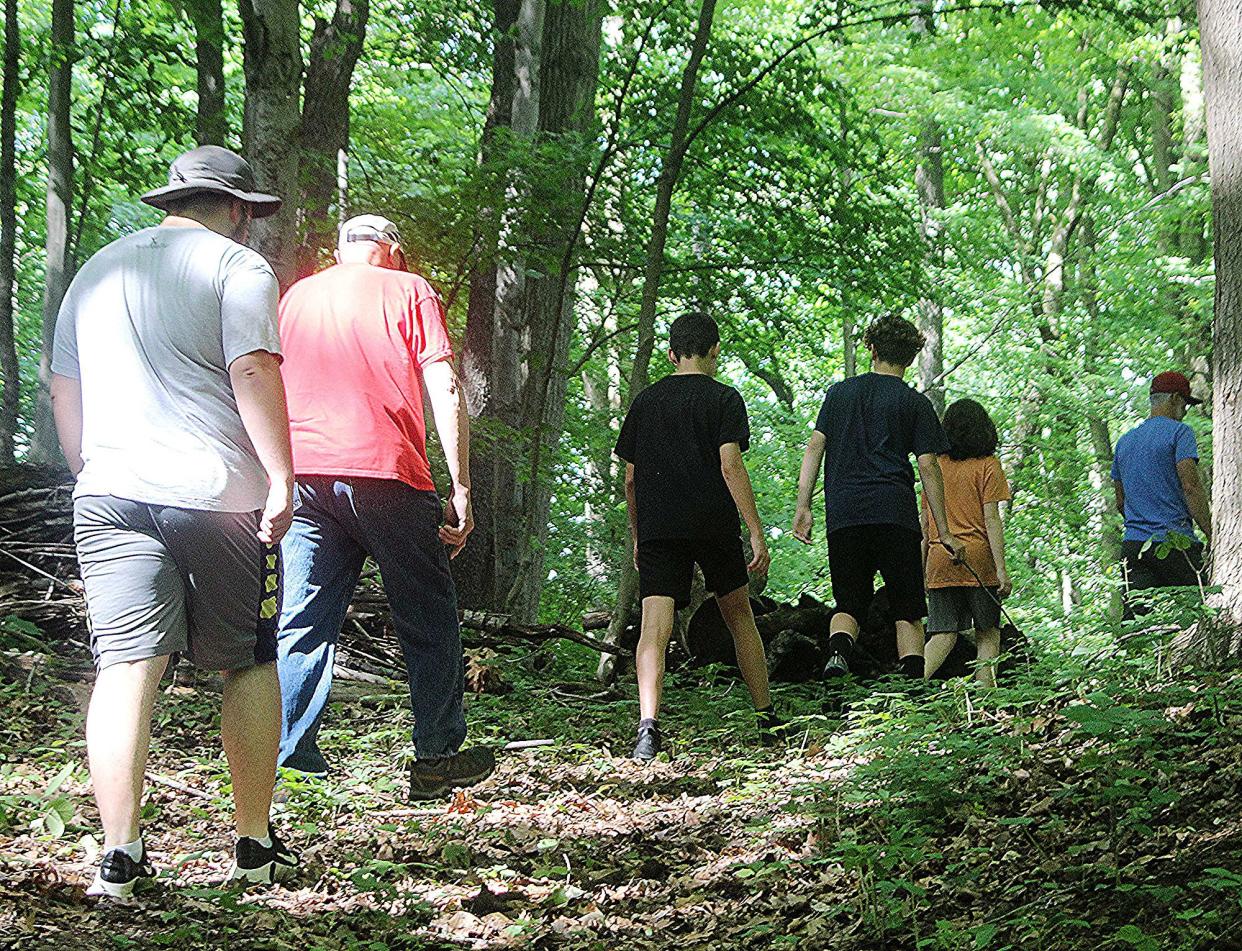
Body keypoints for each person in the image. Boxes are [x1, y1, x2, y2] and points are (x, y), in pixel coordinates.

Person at [50, 145, 299, 897]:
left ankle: (119, 853)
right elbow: (252, 369)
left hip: (111, 488)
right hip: (218, 492)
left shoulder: (99, 269)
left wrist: (90, 468)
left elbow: (65, 387)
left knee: (125, 665)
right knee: (248, 659)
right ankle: (253, 845)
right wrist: (283, 476)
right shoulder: (237, 268)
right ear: (238, 210)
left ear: (172, 202)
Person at [275, 214, 495, 800]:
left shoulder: (297, 296)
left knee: (302, 617)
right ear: (391, 250)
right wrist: (462, 486)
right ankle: (436, 756)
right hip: (388, 471)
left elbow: (262, 379)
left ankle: (291, 759)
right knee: (426, 614)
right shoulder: (410, 289)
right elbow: (444, 386)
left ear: (342, 250)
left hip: (306, 474)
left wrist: (273, 472)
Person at [614, 311, 778, 762]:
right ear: (714, 351)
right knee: (739, 616)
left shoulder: (646, 402)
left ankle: (648, 728)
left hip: (660, 527)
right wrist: (756, 530)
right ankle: (766, 717)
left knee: (654, 628)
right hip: (712, 522)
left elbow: (630, 478)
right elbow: (730, 465)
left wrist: (637, 534)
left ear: (671, 353)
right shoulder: (725, 398)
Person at [792, 313, 964, 680]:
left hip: (845, 514)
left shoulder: (839, 394)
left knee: (849, 602)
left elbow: (815, 446)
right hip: (894, 515)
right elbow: (929, 467)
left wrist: (803, 506)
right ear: (912, 356)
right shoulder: (914, 403)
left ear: (870, 348)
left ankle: (838, 653)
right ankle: (913, 684)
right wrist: (944, 531)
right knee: (907, 608)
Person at [920, 399, 1012, 687]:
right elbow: (991, 520)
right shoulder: (988, 466)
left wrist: (922, 568)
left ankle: (909, 690)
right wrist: (1001, 570)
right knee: (988, 632)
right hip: (978, 559)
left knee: (943, 635)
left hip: (939, 557)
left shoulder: (934, 467)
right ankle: (987, 698)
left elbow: (925, 523)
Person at [1111, 371, 1211, 601]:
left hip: (1134, 548)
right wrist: (1212, 535)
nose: (1186, 411)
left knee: (1138, 624)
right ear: (1175, 398)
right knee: (1198, 614)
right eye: (1186, 404)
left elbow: (1120, 501)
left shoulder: (1125, 441)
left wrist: (1142, 521)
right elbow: (1190, 486)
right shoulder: (1180, 432)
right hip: (1175, 545)